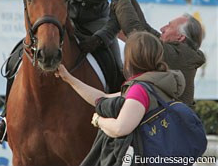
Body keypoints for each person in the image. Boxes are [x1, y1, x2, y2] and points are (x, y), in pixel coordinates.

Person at [0, 0, 124, 143]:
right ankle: (5, 118)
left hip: (96, 23)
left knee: (115, 65)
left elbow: (118, 16)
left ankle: (117, 120)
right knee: (16, 57)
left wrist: (100, 38)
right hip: (63, 16)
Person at [54, 31, 185, 166]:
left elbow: (120, 128)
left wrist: (99, 121)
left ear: (132, 59)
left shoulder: (139, 90)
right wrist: (68, 78)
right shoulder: (160, 83)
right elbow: (102, 97)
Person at [108, 0, 206, 108]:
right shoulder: (177, 50)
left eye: (169, 26)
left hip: (171, 127)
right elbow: (144, 27)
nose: (162, 29)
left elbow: (137, 33)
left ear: (180, 37)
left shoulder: (178, 55)